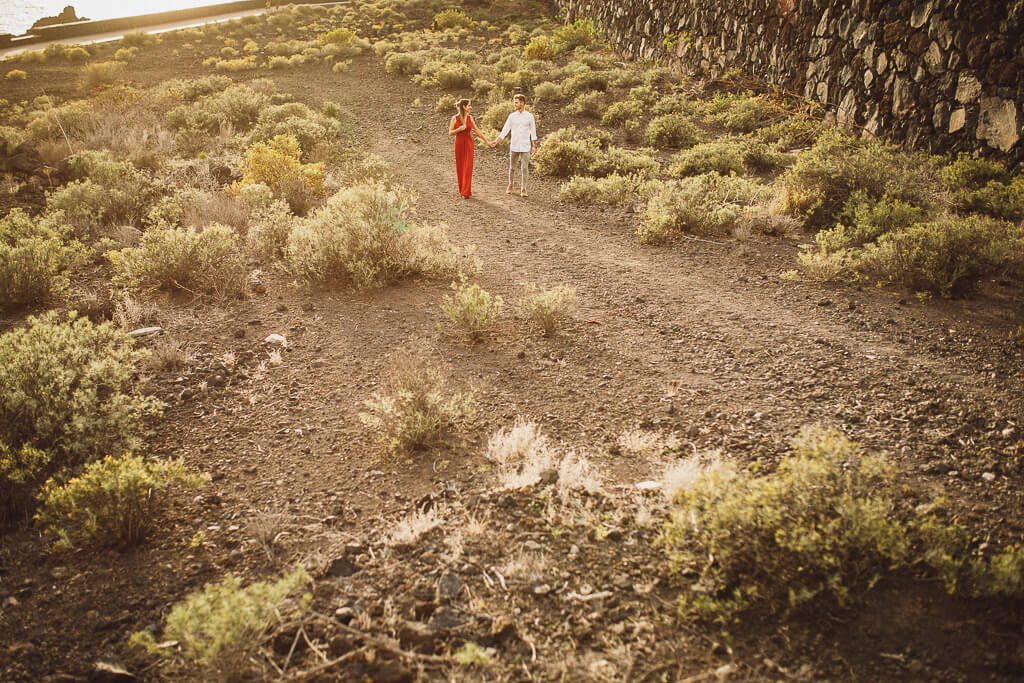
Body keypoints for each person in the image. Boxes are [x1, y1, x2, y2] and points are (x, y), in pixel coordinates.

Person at [449, 98, 495, 199]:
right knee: (460, 166)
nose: (471, 107)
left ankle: (466, 192)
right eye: (469, 105)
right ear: (464, 107)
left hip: (469, 143)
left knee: (468, 167)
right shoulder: (454, 118)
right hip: (459, 144)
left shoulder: (470, 118)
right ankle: (462, 190)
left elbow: (477, 131)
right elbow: (450, 132)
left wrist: (487, 142)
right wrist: (459, 129)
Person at [498, 93, 538, 197]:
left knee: (524, 168)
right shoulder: (512, 116)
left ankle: (523, 189)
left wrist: (534, 146)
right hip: (514, 146)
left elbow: (533, 132)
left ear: (522, 103)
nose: (514, 104)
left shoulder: (529, 116)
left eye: (516, 102)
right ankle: (510, 184)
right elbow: (505, 130)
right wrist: (496, 141)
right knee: (512, 167)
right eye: (514, 102)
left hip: (525, 146)